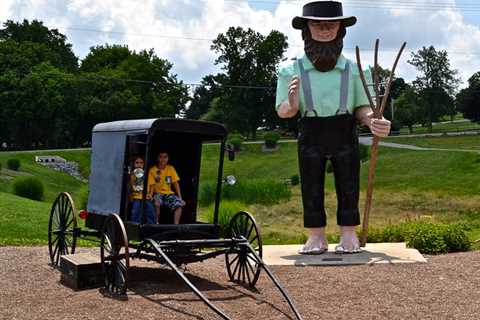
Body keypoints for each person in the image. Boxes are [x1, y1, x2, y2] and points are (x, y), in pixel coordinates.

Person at [276, 1, 391, 254]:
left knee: (349, 183)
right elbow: (283, 110)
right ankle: (316, 236)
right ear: (306, 28)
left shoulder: (355, 69)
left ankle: (349, 233)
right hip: (310, 130)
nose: (325, 30)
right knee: (311, 184)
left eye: (331, 24)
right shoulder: (290, 69)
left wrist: (373, 119)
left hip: (343, 129)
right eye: (318, 24)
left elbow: (363, 106)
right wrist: (292, 103)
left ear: (341, 29)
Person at [148, 151, 185, 224]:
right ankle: (156, 223)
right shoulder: (152, 170)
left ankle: (176, 226)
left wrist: (180, 197)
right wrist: (150, 195)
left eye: (165, 157)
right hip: (157, 193)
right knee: (156, 203)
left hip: (168, 194)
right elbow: (151, 185)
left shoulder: (170, 168)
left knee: (179, 205)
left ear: (168, 158)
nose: (163, 159)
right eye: (160, 157)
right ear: (157, 158)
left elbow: (175, 183)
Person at [129, 156, 156, 224]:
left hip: (146, 197)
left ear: (144, 164)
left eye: (141, 163)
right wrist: (130, 196)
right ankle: (135, 225)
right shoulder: (132, 174)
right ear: (133, 164)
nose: (139, 165)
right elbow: (129, 186)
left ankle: (151, 224)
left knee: (150, 210)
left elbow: (152, 185)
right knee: (135, 211)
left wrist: (150, 194)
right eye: (137, 163)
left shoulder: (147, 174)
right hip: (136, 197)